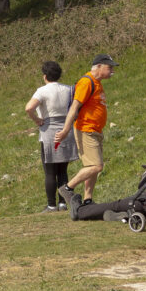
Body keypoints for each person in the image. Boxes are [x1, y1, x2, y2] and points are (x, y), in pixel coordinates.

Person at [55, 54, 118, 209]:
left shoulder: (97, 83)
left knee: (92, 167)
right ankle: (67, 188)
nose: (112, 71)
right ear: (98, 66)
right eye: (109, 67)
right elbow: (74, 107)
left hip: (95, 130)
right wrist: (65, 130)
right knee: (96, 166)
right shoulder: (86, 82)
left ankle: (88, 199)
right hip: (86, 129)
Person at [25, 61, 79, 211]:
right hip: (66, 130)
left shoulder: (42, 91)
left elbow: (29, 107)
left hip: (49, 131)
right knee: (62, 170)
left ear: (45, 76)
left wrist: (36, 120)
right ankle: (63, 203)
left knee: (50, 171)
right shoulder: (69, 89)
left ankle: (51, 205)